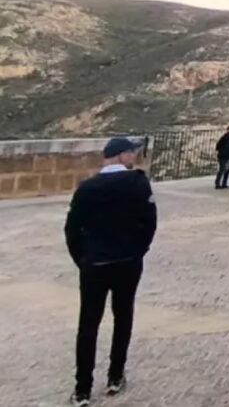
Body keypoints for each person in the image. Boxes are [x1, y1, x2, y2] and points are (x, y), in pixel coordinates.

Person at [64, 137, 157, 407]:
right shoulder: (137, 183)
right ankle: (115, 376)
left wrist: (83, 259)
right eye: (131, 153)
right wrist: (139, 250)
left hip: (95, 263)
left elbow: (72, 229)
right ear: (120, 156)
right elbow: (149, 222)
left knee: (88, 325)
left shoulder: (87, 188)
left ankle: (82, 389)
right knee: (123, 316)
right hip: (127, 261)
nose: (134, 157)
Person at [214, 124, 229, 189]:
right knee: (223, 169)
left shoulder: (227, 137)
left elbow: (217, 147)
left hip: (225, 155)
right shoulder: (227, 137)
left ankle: (221, 183)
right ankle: (220, 183)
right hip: (224, 155)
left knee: (224, 169)